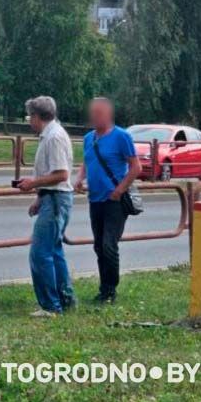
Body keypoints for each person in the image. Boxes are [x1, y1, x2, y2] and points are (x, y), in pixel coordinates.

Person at [74, 98, 141, 304]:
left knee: (109, 245)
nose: (94, 116)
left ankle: (110, 291)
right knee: (99, 246)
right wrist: (79, 178)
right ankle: (104, 288)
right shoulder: (88, 138)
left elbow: (135, 167)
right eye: (93, 112)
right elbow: (87, 161)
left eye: (99, 112)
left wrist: (119, 191)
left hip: (114, 201)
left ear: (108, 114)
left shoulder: (122, 137)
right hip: (95, 199)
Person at [17, 96, 76, 317]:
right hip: (52, 199)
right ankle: (65, 298)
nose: (28, 121)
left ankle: (50, 306)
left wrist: (33, 184)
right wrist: (39, 198)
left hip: (56, 199)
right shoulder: (51, 135)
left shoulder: (54, 138)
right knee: (54, 250)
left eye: (29, 116)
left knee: (40, 253)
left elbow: (61, 174)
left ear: (36, 116)